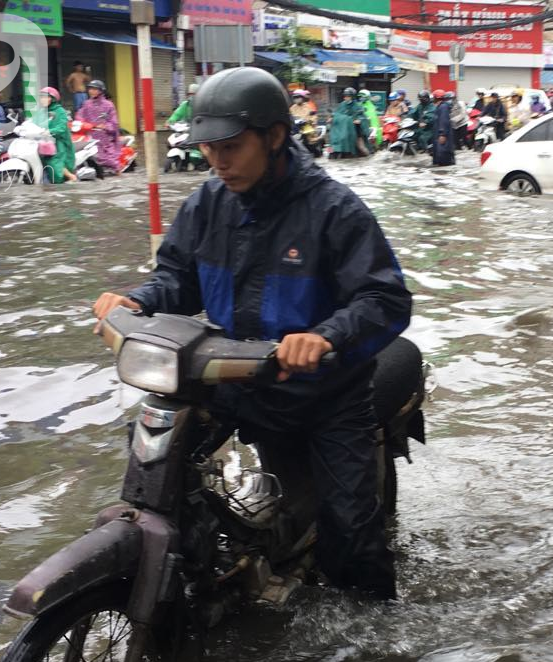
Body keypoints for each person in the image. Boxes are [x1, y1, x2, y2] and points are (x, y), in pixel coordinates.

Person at [91, 67, 411, 600]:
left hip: (325, 397)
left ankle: (370, 651)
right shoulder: (207, 203)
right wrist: (138, 299)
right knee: (157, 470)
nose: (218, 161)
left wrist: (325, 337)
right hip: (237, 380)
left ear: (275, 137)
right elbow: (177, 277)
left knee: (352, 538)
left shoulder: (334, 209)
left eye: (232, 147)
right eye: (210, 148)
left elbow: (385, 300)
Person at [76, 79, 122, 174]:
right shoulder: (86, 104)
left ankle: (118, 170)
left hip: (105, 138)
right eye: (90, 89)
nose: (91, 91)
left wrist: (105, 126)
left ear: (101, 91)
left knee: (108, 159)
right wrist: (79, 123)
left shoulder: (108, 105)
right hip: (89, 135)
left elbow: (114, 122)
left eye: (94, 89)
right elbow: (79, 115)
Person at [36, 86, 77, 183]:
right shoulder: (42, 111)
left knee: (54, 162)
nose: (42, 99)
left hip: (60, 142)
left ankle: (71, 177)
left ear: (52, 99)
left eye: (45, 97)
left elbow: (62, 127)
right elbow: (34, 123)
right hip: (45, 141)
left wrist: (50, 131)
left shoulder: (60, 111)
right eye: (41, 97)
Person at [329, 87, 368, 158]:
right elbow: (336, 113)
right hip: (341, 129)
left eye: (348, 96)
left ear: (352, 97)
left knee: (362, 148)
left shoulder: (358, 106)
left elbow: (362, 116)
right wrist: (331, 118)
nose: (346, 98)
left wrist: (359, 120)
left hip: (354, 128)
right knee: (332, 138)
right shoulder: (342, 105)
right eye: (345, 96)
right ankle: (331, 150)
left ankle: (360, 151)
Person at [430, 89, 455, 167]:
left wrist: (442, 134)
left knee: (443, 157)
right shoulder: (439, 107)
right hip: (438, 135)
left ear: (436, 98)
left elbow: (444, 121)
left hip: (443, 137)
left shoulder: (443, 107)